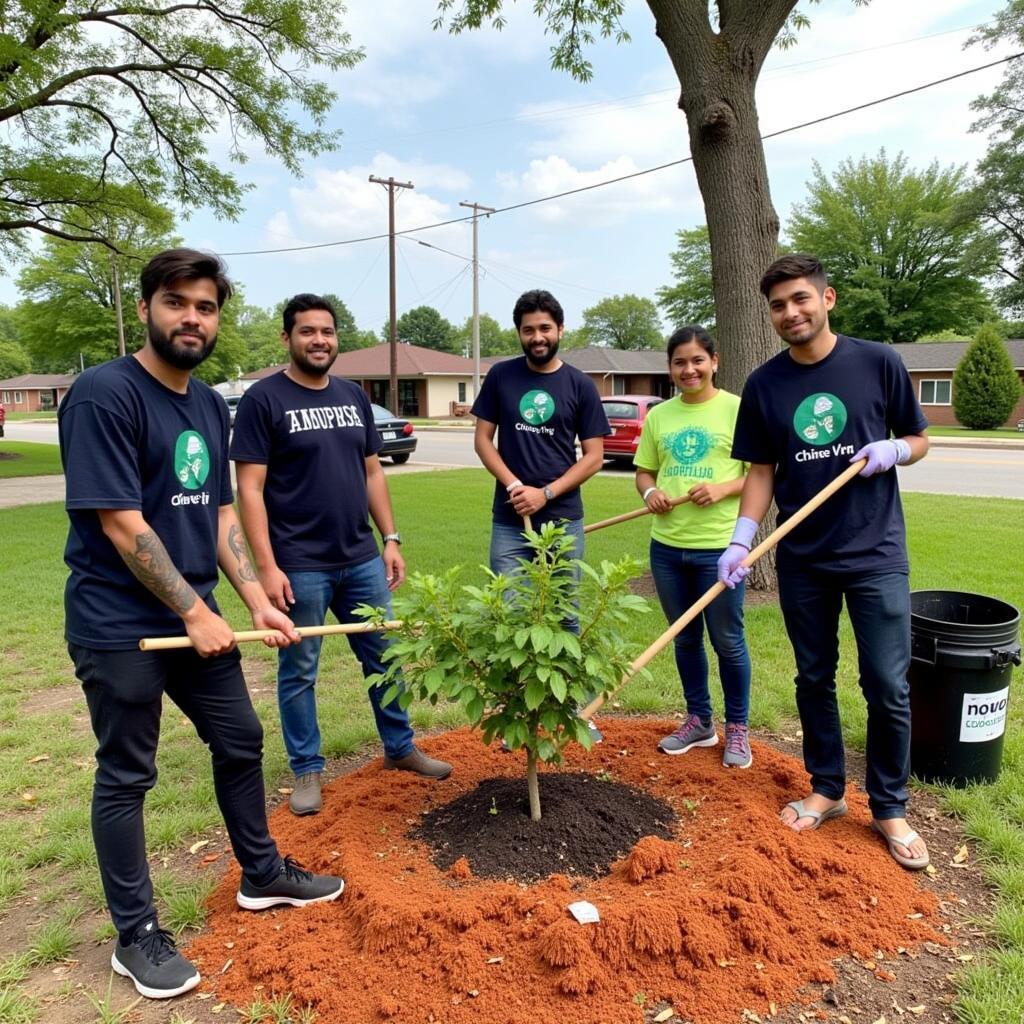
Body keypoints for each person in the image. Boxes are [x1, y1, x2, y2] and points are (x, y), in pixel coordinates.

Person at [59, 250, 343, 1002]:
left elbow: (220, 515)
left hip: (200, 617)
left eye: (206, 306)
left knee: (241, 740)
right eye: (178, 302)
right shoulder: (102, 395)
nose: (192, 318)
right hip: (121, 623)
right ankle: (135, 934)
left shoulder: (206, 403)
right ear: (149, 306)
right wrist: (192, 609)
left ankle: (262, 873)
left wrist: (252, 598)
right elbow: (122, 525)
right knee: (128, 773)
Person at [718, 253, 931, 870]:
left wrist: (896, 449)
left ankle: (890, 806)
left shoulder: (878, 362)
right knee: (813, 677)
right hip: (805, 559)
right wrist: (741, 538)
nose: (791, 313)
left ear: (827, 298)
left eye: (800, 300)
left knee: (886, 684)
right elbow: (762, 470)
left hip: (876, 554)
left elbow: (920, 437)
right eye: (779, 305)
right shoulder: (764, 384)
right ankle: (828, 788)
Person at [232, 294, 452, 817]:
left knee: (385, 658)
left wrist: (390, 538)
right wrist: (266, 568)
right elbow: (250, 490)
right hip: (299, 565)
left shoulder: (353, 396)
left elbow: (373, 472)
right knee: (300, 668)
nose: (319, 340)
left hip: (360, 559)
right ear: (287, 338)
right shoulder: (264, 400)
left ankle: (400, 749)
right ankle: (306, 769)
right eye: (307, 331)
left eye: (327, 332)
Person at [470, 289, 610, 741]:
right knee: (510, 613)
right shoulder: (500, 377)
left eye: (545, 328)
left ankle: (569, 709)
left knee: (565, 614)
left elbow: (593, 456)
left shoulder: (580, 386)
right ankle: (518, 710)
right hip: (510, 520)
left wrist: (545, 493)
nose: (537, 336)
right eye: (528, 329)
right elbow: (483, 441)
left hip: (562, 518)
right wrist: (515, 486)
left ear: (560, 329)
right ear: (519, 333)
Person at [634, 326, 752, 767]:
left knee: (728, 641)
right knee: (685, 639)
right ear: (670, 368)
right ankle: (700, 720)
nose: (689, 369)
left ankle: (738, 728)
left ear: (714, 362)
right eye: (680, 362)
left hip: (720, 551)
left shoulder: (738, 410)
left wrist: (723, 489)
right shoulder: (660, 417)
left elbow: (759, 474)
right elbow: (644, 472)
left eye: (698, 360)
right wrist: (650, 494)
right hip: (667, 548)